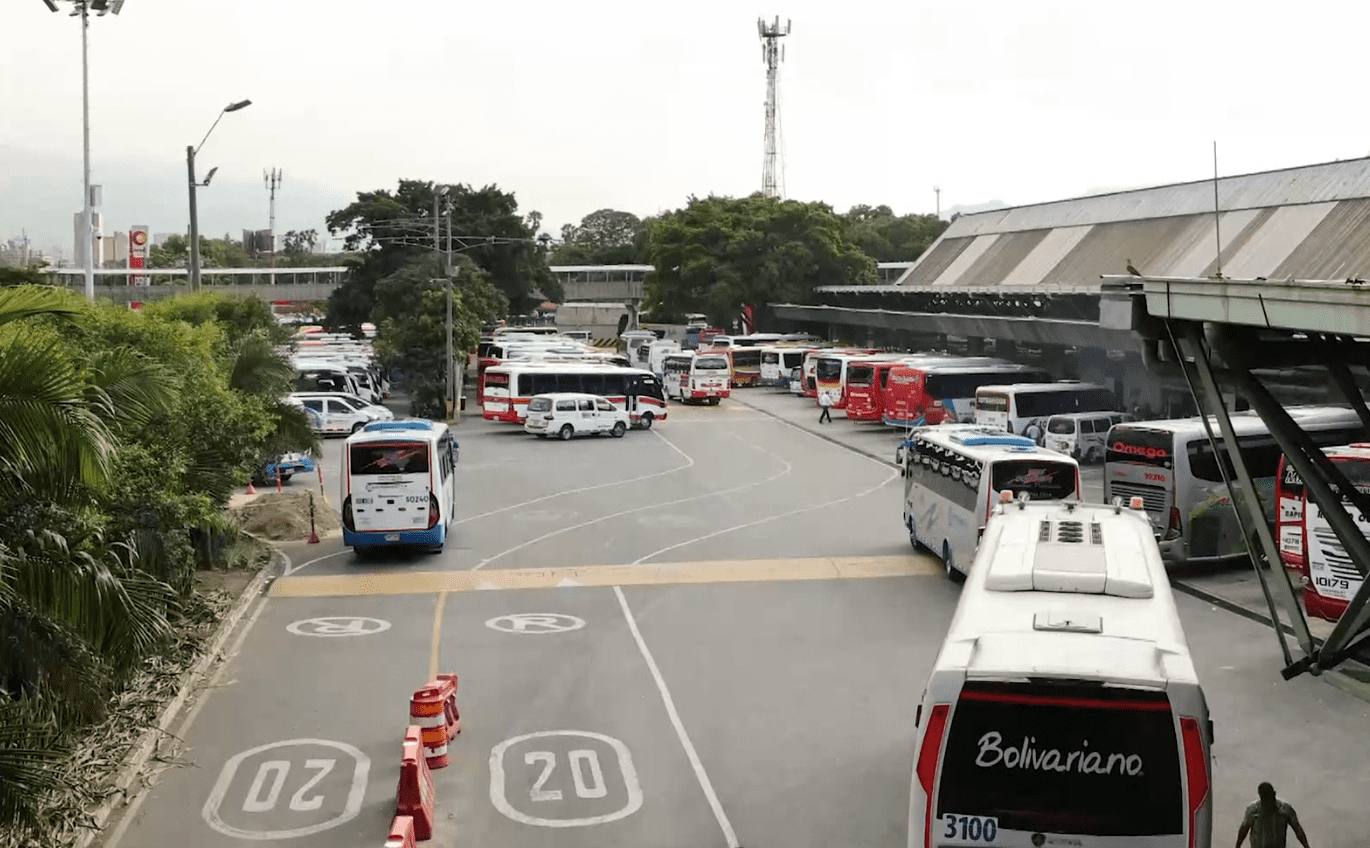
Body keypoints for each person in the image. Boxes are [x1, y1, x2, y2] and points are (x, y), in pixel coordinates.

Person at [1236, 782, 1310, 848]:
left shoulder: (1285, 810)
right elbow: (1244, 829)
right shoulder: (1253, 810)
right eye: (1265, 801)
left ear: (1274, 794)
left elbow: (1297, 828)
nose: (1268, 804)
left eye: (1269, 799)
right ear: (1261, 797)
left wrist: (1306, 846)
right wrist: (1238, 845)